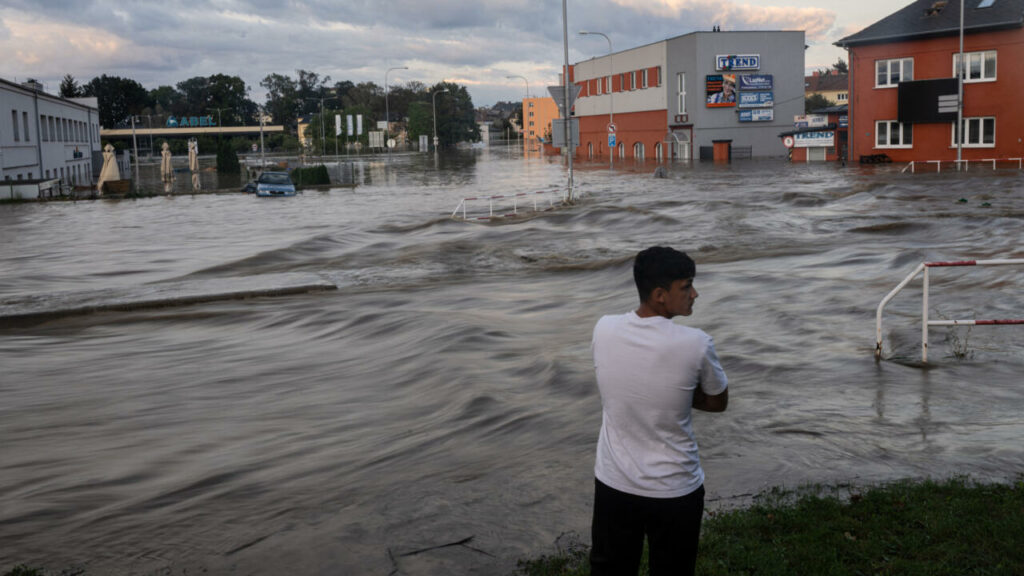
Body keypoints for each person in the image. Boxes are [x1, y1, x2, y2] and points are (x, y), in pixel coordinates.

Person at [589, 246, 729, 576]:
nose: (695, 293)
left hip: (614, 483)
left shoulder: (603, 328)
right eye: (686, 286)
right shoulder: (696, 343)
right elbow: (717, 402)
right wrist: (676, 395)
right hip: (675, 488)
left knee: (610, 569)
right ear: (659, 295)